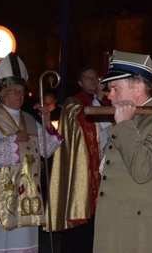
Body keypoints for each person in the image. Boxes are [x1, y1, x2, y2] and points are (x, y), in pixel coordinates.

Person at [0, 53, 62, 253]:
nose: (19, 95)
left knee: (21, 237)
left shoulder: (30, 119)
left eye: (22, 91)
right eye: (14, 91)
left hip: (27, 189)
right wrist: (13, 139)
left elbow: (47, 150)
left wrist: (48, 122)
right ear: (2, 94)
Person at [93, 50, 152, 253]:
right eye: (109, 90)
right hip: (119, 229)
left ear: (138, 87)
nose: (110, 96)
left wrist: (125, 125)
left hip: (146, 235)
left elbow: (143, 169)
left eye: (115, 88)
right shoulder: (126, 120)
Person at [48, 65, 107, 251]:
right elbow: (84, 123)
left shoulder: (108, 100)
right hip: (84, 166)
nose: (92, 80)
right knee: (82, 225)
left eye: (95, 76)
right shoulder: (74, 102)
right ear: (80, 82)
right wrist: (96, 100)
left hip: (105, 163)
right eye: (88, 77)